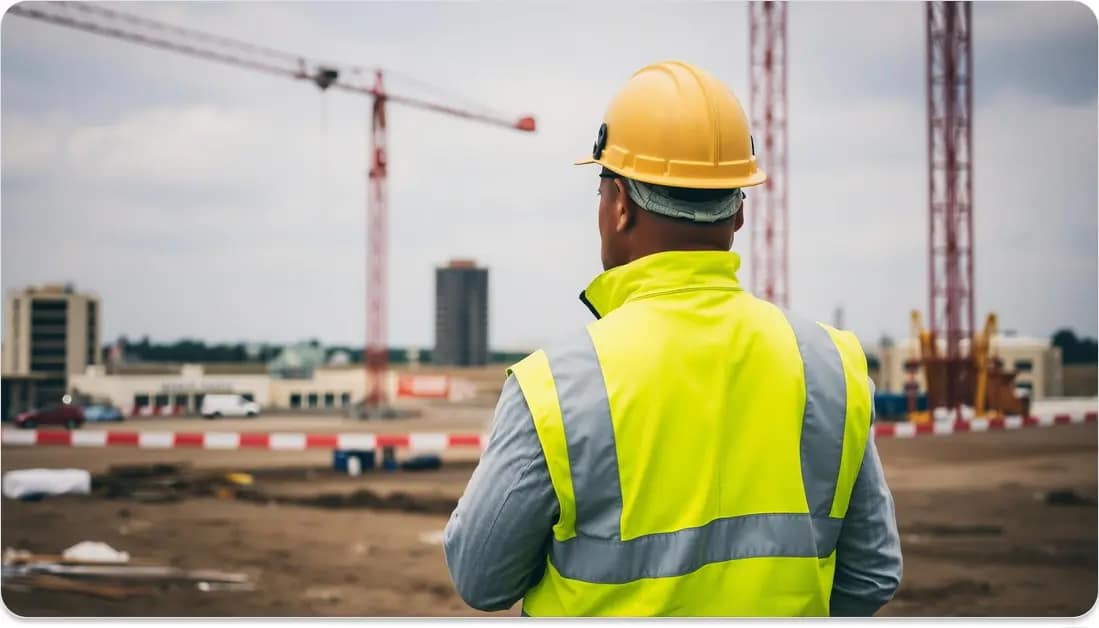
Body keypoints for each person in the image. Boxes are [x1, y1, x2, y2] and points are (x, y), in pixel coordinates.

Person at [443, 60, 901, 617]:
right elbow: (872, 572)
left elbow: (481, 576)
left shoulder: (556, 386)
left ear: (618, 207)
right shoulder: (833, 366)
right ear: (737, 213)